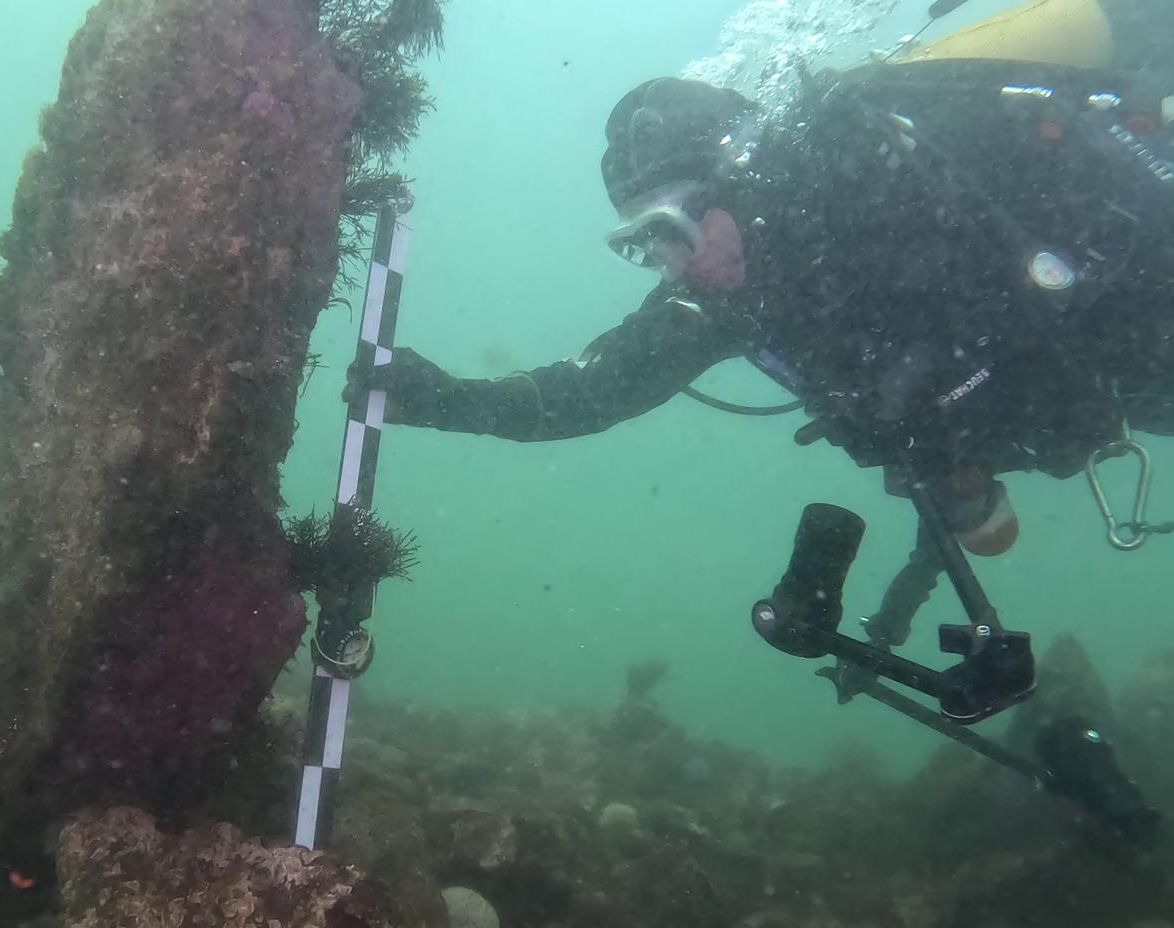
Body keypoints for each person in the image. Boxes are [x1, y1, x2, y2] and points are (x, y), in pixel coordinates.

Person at [346, 2, 1174, 712]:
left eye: (670, 230)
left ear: (731, 178)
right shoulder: (733, 299)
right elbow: (599, 389)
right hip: (1111, 396)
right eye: (642, 247)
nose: (671, 263)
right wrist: (451, 401)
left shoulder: (889, 166)